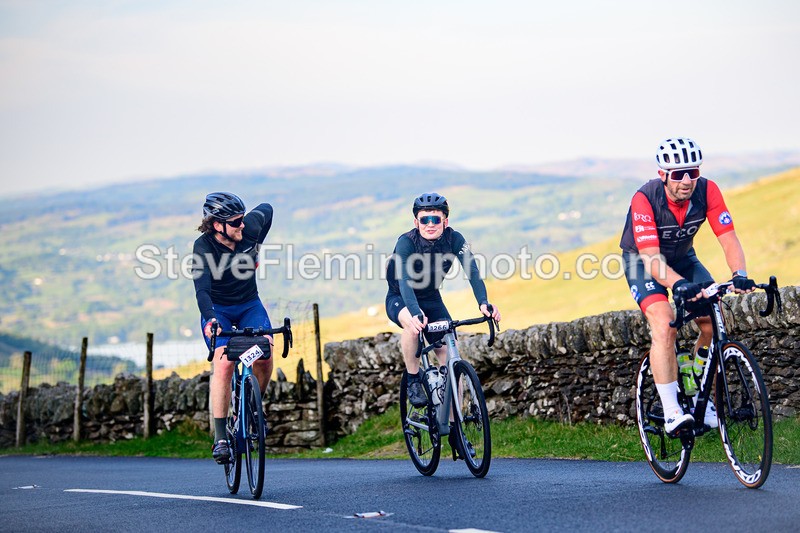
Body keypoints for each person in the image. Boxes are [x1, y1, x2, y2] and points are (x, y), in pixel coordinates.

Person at [620, 138, 756, 434]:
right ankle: (671, 411)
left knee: (712, 320)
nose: (686, 180)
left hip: (683, 258)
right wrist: (679, 285)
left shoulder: (708, 190)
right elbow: (652, 260)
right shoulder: (645, 198)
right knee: (665, 323)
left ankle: (698, 393)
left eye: (692, 172)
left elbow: (728, 237)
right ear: (663, 175)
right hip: (643, 262)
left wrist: (739, 273)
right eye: (678, 173)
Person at [385, 192, 501, 453]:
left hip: (431, 297)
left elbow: (472, 271)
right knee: (412, 327)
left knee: (450, 355)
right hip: (400, 298)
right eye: (423, 219)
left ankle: (455, 429)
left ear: (445, 221)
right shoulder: (406, 242)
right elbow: (403, 282)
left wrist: (484, 303)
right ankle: (414, 378)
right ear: (416, 222)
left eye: (435, 219)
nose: (429, 224)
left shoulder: (454, 239)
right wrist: (414, 313)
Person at [192, 192, 274, 464]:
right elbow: (202, 290)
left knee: (266, 353)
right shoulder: (203, 247)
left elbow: (267, 209)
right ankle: (220, 438)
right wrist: (210, 319)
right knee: (224, 363)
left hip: (250, 304)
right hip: (219, 311)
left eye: (242, 219)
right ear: (217, 225)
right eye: (235, 221)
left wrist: (257, 249)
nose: (242, 225)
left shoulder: (248, 229)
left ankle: (249, 410)